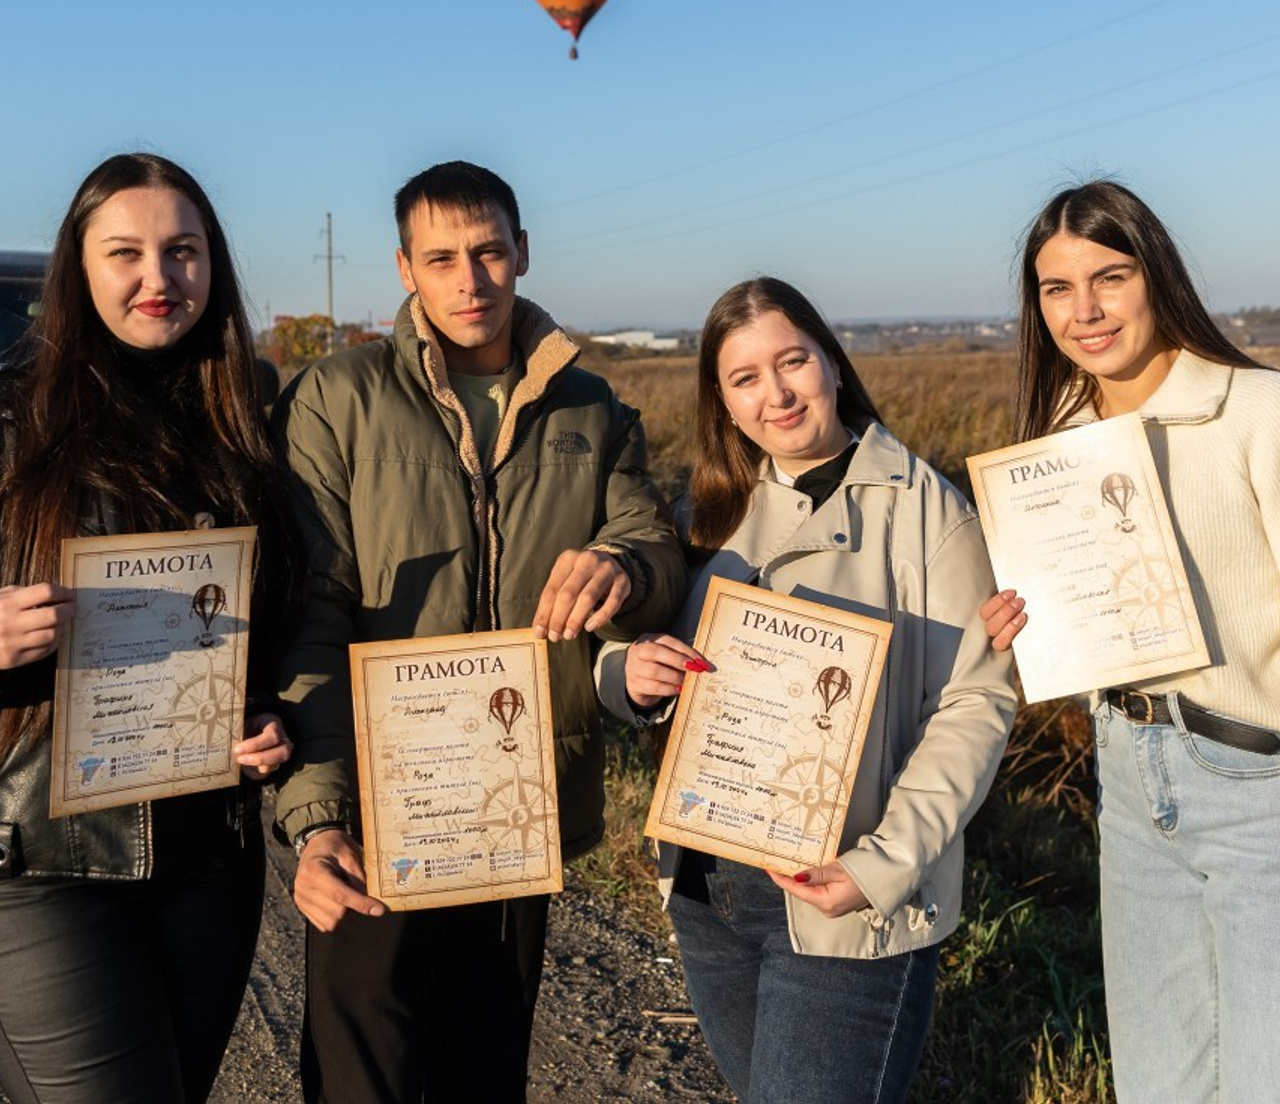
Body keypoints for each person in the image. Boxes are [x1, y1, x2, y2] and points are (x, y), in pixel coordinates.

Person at [271, 160, 686, 1103]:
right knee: (364, 1074)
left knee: (487, 1067)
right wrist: (320, 817)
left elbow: (655, 547)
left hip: (517, 803)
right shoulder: (334, 398)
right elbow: (313, 613)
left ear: (523, 252)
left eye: (490, 251)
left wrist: (621, 567)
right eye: (443, 257)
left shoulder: (591, 406)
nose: (472, 279)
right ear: (405, 268)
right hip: (383, 809)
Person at [596, 277, 1017, 1103]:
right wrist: (631, 675)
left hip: (838, 902)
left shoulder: (930, 511)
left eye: (793, 361)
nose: (776, 394)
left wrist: (881, 866)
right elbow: (619, 657)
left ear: (832, 361)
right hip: (708, 894)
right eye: (744, 377)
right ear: (720, 397)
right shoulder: (706, 513)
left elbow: (974, 706)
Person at [0, 153, 300, 1104]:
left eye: (183, 251)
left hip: (207, 847)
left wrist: (269, 715)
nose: (157, 278)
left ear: (213, 266)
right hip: (41, 857)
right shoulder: (12, 419)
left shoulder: (249, 418)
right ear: (77, 269)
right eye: (124, 252)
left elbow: (285, 616)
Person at [980, 180, 1280, 1103]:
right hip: (1125, 768)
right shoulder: (1057, 438)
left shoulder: (1254, 409)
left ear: (1159, 273)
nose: (1086, 310)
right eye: (1056, 288)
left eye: (1109, 277)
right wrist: (1023, 632)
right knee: (1160, 1079)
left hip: (1254, 781)